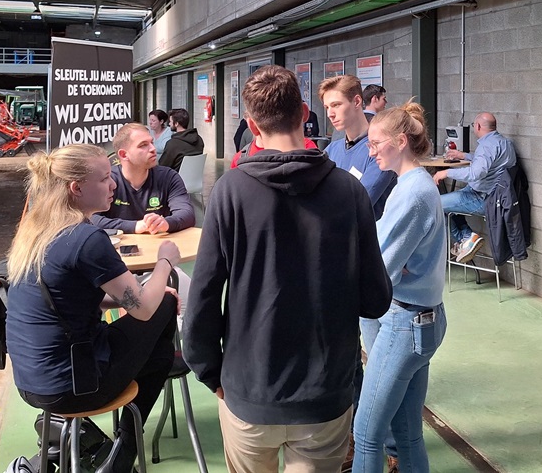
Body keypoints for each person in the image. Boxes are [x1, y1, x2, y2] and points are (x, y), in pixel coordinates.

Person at [183, 65, 392, 473]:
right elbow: (375, 299)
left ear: (251, 125)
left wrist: (209, 371)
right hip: (324, 394)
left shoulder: (230, 191)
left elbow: (204, 294)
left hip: (249, 389)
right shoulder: (349, 191)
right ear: (304, 113)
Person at [5, 143, 182, 473]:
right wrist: (164, 263)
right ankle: (123, 451)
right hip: (74, 386)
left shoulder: (35, 229)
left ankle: (77, 444)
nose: (113, 184)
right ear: (76, 188)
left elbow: (67, 298)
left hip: (31, 384)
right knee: (164, 308)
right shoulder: (86, 239)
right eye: (104, 179)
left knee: (158, 340)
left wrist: (135, 296)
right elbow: (143, 309)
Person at [354, 102, 447, 473]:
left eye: (376, 144)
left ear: (401, 141)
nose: (371, 152)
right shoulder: (410, 184)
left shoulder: (413, 194)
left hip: (405, 324)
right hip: (421, 320)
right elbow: (382, 245)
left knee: (366, 434)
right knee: (407, 434)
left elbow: (380, 266)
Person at [432, 112, 517, 262]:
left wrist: (446, 173)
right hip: (499, 199)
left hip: (483, 199)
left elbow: (476, 173)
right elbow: (489, 161)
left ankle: (465, 239)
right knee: (450, 203)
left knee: (435, 204)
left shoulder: (486, 146)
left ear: (477, 126)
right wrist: (464, 156)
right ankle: (467, 237)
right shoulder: (504, 143)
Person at [91, 123, 195, 234]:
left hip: (158, 242)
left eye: (152, 142)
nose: (153, 149)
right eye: (143, 145)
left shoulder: (169, 177)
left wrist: (166, 223)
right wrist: (134, 226)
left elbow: (187, 214)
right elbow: (90, 218)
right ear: (124, 155)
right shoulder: (108, 181)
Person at [319, 75, 397, 220]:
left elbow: (358, 204)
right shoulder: (331, 150)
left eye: (336, 105)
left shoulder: (381, 151)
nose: (330, 114)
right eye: (327, 107)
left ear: (356, 101)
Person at [158, 108, 204, 172]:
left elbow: (162, 166)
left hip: (175, 177)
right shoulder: (199, 139)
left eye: (170, 121)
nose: (169, 124)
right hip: (194, 177)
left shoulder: (172, 144)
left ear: (176, 124)